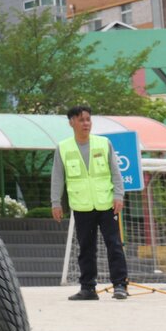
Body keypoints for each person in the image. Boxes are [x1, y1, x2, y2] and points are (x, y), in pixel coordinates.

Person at [52, 103, 128, 300]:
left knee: (114, 244)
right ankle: (88, 288)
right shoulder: (63, 148)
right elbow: (57, 177)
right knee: (86, 248)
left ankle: (120, 285)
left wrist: (118, 195)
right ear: (72, 123)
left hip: (106, 203)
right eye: (81, 120)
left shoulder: (104, 143)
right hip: (81, 205)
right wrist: (56, 202)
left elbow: (115, 172)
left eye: (88, 119)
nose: (86, 123)